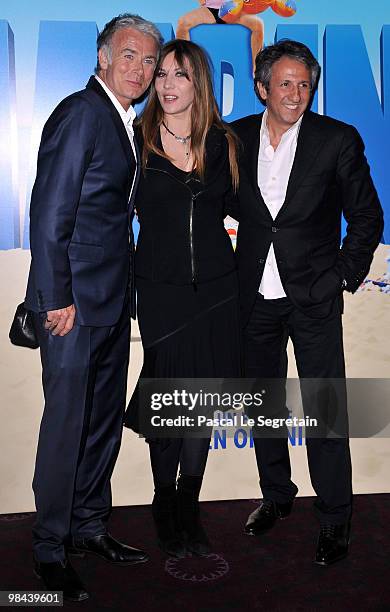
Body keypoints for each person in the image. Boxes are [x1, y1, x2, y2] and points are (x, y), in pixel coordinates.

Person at [24, 13, 162, 601]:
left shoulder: (124, 120)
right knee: (65, 429)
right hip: (73, 309)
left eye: (149, 60)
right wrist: (56, 299)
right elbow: (49, 212)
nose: (140, 68)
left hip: (109, 304)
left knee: (101, 426)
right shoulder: (82, 113)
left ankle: (88, 525)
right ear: (103, 56)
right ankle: (49, 549)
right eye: (128, 55)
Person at [230, 40, 383, 565]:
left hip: (313, 298)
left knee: (323, 410)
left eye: (304, 84)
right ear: (262, 87)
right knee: (264, 407)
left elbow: (367, 218)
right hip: (252, 298)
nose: (296, 94)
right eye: (285, 84)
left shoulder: (336, 139)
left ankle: (336, 517)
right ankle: (276, 496)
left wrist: (340, 276)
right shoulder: (235, 137)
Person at [123, 39, 241, 558]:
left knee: (202, 401)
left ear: (200, 84)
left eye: (180, 75)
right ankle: (162, 501)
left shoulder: (224, 142)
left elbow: (251, 213)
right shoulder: (136, 138)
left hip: (216, 290)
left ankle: (189, 502)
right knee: (171, 400)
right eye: (163, 73)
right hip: (160, 292)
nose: (168, 84)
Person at [176, 0, 264, 71]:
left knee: (258, 24)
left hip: (234, 10)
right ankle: (183, 64)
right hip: (210, 9)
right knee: (183, 22)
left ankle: (256, 68)